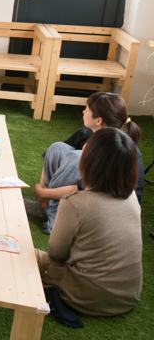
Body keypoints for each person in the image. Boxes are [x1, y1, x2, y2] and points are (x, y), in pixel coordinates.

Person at [36, 127, 143, 329]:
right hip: (127, 297)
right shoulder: (131, 198)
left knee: (27, 256)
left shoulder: (76, 203)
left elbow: (56, 253)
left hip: (86, 295)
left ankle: (54, 294)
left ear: (89, 163)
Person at [25, 92, 144, 234]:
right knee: (58, 148)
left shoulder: (116, 149)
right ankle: (48, 207)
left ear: (98, 120)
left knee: (77, 157)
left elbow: (84, 189)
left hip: (108, 207)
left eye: (86, 109)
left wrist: (42, 192)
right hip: (86, 195)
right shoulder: (87, 133)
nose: (83, 112)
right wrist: (42, 187)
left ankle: (56, 222)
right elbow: (52, 155)